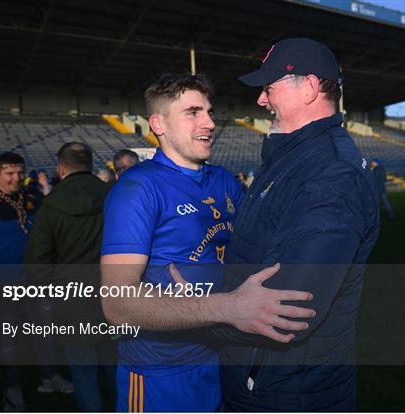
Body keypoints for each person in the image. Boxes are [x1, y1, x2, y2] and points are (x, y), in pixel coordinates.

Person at [100, 73, 315, 412]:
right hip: (161, 373)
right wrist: (227, 307)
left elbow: (251, 253)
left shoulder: (224, 181)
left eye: (210, 112)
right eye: (193, 112)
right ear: (159, 124)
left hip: (222, 358)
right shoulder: (137, 189)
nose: (210, 122)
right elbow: (117, 305)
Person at [213, 37, 380, 411]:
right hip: (261, 383)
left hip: (288, 394)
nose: (260, 100)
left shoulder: (331, 176)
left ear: (308, 88)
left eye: (268, 88)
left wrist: (195, 311)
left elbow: (286, 310)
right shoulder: (292, 158)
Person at [0, 152, 72, 411]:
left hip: (34, 281)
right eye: (10, 173)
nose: (16, 178)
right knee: (6, 342)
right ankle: (12, 395)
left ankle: (49, 378)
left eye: (20, 172)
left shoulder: (30, 196)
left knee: (44, 332)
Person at [25, 142, 115, 412]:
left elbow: (36, 261)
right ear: (89, 164)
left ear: (61, 168)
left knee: (84, 375)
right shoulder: (112, 195)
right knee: (117, 371)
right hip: (115, 296)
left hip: (72, 303)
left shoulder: (51, 204)